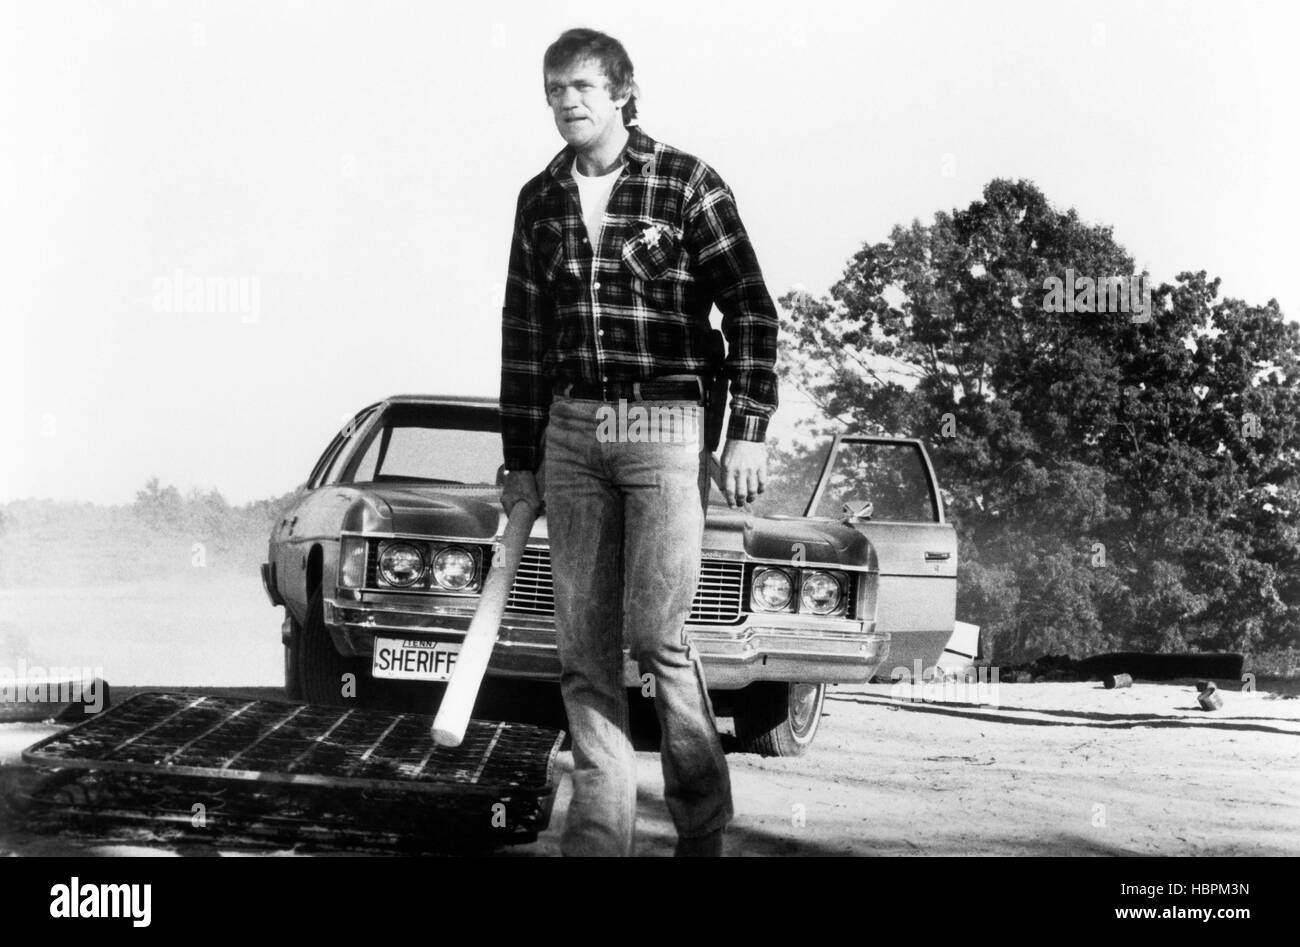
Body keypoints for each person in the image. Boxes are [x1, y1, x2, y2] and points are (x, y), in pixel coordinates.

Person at [498, 27, 779, 857]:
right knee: (583, 650)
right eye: (554, 90)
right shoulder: (539, 199)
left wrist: (748, 431)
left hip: (663, 423)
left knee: (658, 635)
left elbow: (752, 309)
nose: (567, 102)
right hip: (573, 427)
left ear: (623, 92)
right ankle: (597, 838)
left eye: (583, 87)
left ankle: (702, 826)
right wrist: (520, 460)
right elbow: (523, 334)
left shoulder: (686, 182)